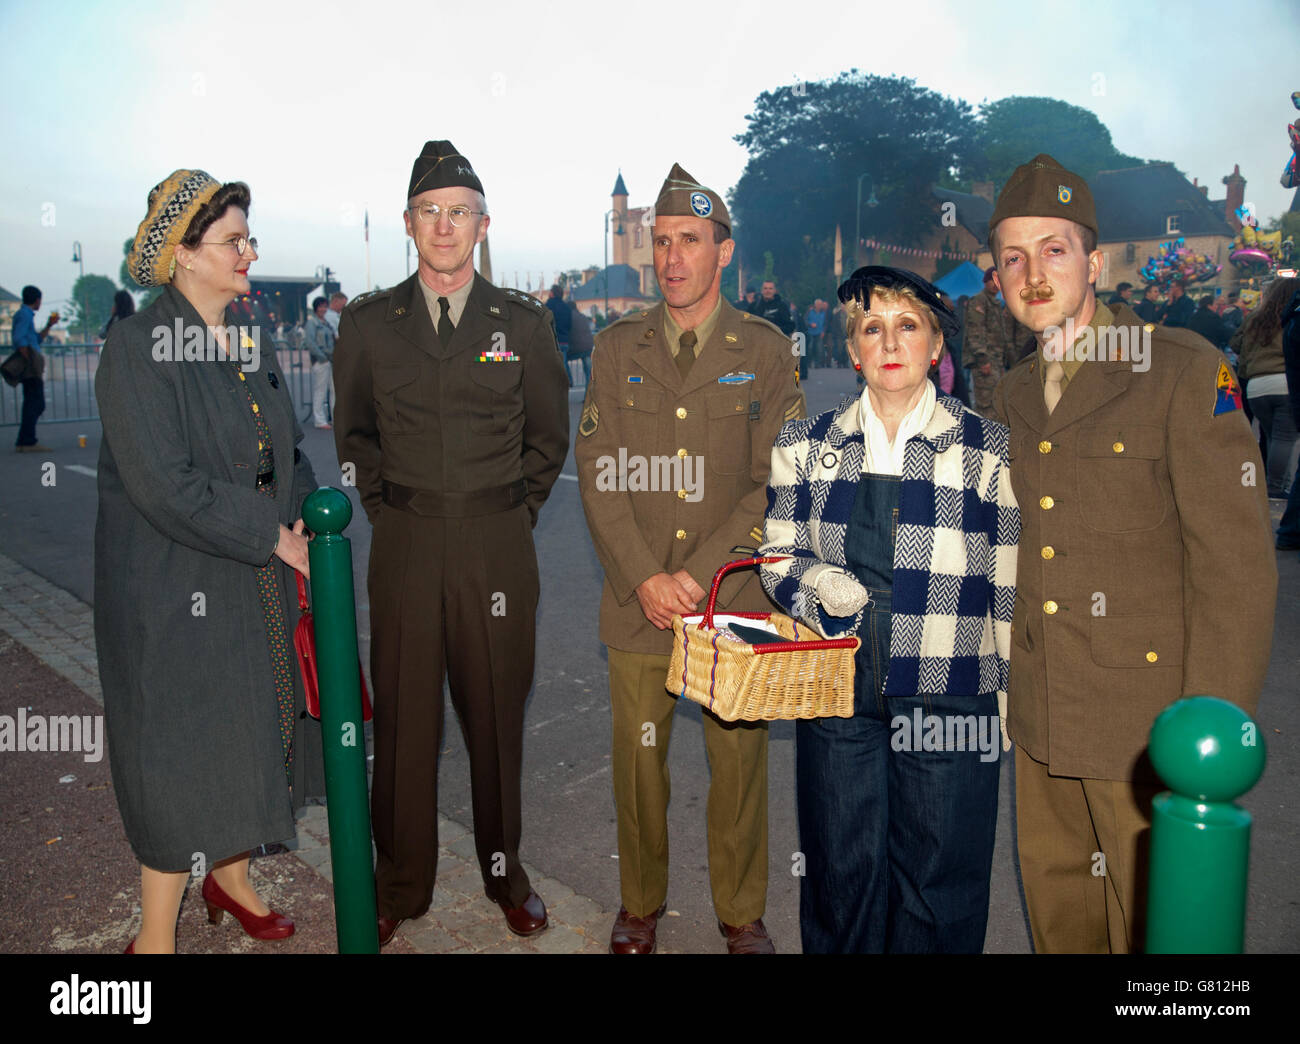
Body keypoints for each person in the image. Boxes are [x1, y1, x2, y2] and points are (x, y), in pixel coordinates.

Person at [987, 153, 1277, 953]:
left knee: (1159, 935)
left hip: (1148, 731)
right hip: (1043, 722)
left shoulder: (1182, 372)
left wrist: (1207, 736)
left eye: (1053, 249)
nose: (1032, 272)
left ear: (1096, 260)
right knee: (1062, 924)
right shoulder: (1011, 391)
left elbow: (1236, 571)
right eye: (1012, 256)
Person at [333, 140, 569, 948]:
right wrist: (391, 510)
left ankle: (506, 874)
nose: (444, 226)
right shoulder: (368, 325)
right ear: (408, 224)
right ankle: (400, 883)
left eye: (459, 212)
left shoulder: (524, 325)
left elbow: (548, 439)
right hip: (406, 539)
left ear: (482, 224)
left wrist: (510, 514)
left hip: (497, 541)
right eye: (430, 212)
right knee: (400, 722)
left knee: (497, 716)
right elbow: (353, 433)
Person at [575, 163, 803, 955]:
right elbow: (600, 474)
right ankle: (640, 904)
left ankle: (741, 914)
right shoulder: (616, 347)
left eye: (691, 242)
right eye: (662, 241)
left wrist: (696, 577)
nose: (673, 258)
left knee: (738, 766)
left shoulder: (766, 351)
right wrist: (645, 576)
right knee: (639, 767)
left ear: (724, 251)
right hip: (639, 601)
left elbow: (777, 481)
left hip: (732, 597)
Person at [96, 170, 323, 953]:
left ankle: (230, 880)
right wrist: (272, 534)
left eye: (249, 239)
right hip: (173, 587)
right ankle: (152, 938)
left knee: (244, 735)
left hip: (248, 581)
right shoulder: (136, 345)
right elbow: (164, 484)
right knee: (182, 753)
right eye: (233, 240)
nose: (249, 254)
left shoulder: (246, 339)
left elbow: (285, 450)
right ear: (185, 255)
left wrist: (310, 512)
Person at [759, 266, 1017, 953]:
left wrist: (1012, 698)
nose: (890, 342)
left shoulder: (988, 451)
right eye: (872, 328)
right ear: (852, 350)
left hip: (951, 688)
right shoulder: (804, 446)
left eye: (908, 326)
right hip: (838, 687)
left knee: (939, 878)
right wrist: (817, 589)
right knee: (841, 869)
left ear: (936, 346)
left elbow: (1008, 584)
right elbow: (776, 556)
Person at [1232, 276, 1300, 498]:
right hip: (1283, 383)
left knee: (1273, 436)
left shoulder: (1255, 317)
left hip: (1255, 386)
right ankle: (1276, 486)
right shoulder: (1292, 317)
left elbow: (1236, 343)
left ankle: (1278, 484)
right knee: (1285, 438)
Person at [963, 266, 1028, 418]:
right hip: (985, 362)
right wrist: (983, 359)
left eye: (997, 281)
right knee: (986, 406)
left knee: (997, 403)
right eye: (991, 280)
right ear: (985, 281)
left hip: (997, 362)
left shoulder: (996, 304)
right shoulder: (979, 302)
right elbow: (975, 332)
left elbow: (1004, 336)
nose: (994, 284)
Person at [11, 285, 56, 452]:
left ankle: (24, 440)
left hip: (31, 360)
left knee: (32, 402)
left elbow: (36, 339)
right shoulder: (24, 315)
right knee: (36, 402)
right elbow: (19, 339)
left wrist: (49, 325)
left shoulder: (26, 315)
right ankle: (27, 441)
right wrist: (28, 359)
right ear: (37, 300)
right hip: (30, 363)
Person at [304, 295, 336, 429]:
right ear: (316, 308)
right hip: (321, 360)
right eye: (321, 306)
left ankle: (335, 418)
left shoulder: (326, 323)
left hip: (330, 359)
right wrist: (321, 357)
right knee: (320, 391)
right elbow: (310, 342)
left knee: (334, 390)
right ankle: (319, 420)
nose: (323, 309)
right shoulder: (312, 323)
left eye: (325, 306)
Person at [545, 284, 574, 384]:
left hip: (553, 340)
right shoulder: (566, 307)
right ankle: (568, 381)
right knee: (563, 363)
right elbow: (570, 325)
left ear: (552, 293)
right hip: (564, 341)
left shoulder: (548, 305)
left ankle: (564, 383)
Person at [566, 298, 593, 386]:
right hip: (588, 348)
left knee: (562, 360)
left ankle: (569, 379)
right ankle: (587, 397)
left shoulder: (568, 316)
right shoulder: (583, 316)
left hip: (575, 349)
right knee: (588, 373)